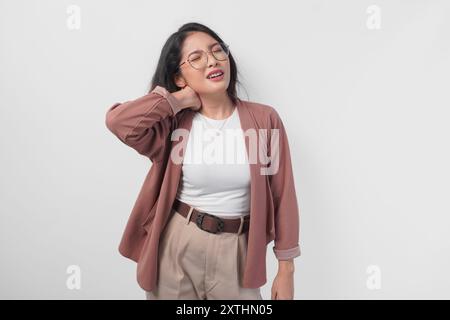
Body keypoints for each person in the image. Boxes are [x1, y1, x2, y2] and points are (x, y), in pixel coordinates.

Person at [105, 22, 301, 300]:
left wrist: (286, 268)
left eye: (217, 51)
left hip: (237, 251)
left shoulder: (264, 120)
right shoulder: (173, 124)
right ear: (179, 76)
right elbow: (119, 122)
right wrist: (177, 99)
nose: (212, 60)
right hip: (177, 242)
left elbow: (283, 195)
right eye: (196, 58)